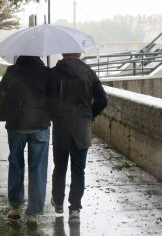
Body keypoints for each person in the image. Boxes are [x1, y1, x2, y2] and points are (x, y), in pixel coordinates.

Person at [48, 53, 108, 224]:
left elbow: (48, 100)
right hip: (81, 129)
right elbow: (102, 99)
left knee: (59, 168)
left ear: (63, 53)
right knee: (78, 170)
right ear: (79, 53)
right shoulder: (89, 72)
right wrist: (89, 115)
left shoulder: (54, 73)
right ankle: (75, 209)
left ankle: (58, 203)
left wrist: (54, 115)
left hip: (60, 127)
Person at [0, 56, 51, 226]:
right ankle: (33, 213)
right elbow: (55, 97)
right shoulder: (46, 72)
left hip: (16, 125)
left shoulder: (13, 71)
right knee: (38, 168)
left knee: (16, 164)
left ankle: (15, 207)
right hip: (40, 126)